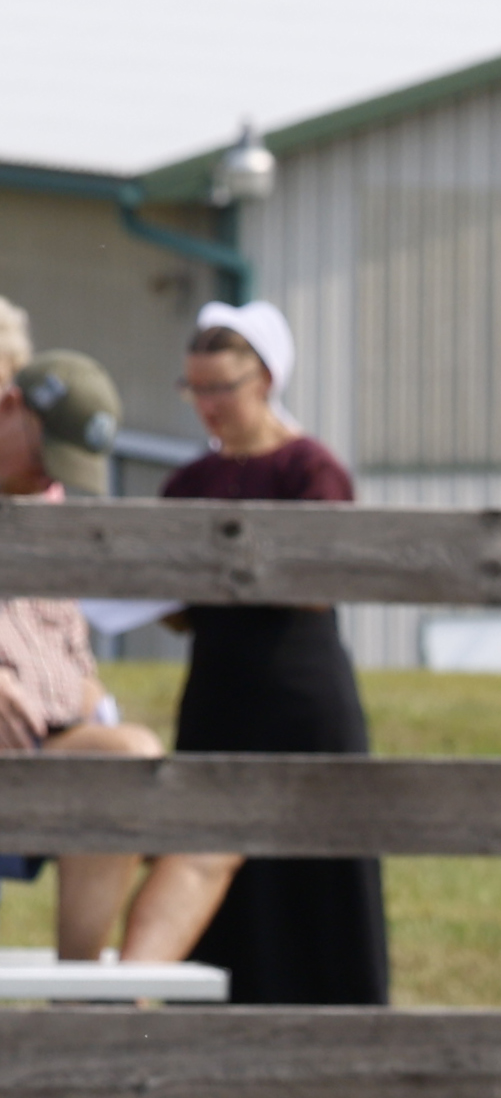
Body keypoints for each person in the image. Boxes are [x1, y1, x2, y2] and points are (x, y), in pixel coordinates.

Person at [155, 303, 390, 1007]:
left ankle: (334, 1006)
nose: (207, 407)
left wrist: (226, 567)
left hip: (298, 688)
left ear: (261, 380)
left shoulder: (310, 468)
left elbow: (319, 585)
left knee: (317, 843)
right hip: (219, 686)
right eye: (195, 390)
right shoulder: (186, 482)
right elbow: (173, 612)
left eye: (220, 389)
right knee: (209, 842)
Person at [1, 333, 231, 966]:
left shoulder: (40, 515)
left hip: (51, 745)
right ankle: (83, 997)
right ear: (12, 407)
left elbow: (70, 651)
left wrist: (94, 700)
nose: (55, 479)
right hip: (24, 755)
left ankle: (110, 1001)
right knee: (126, 762)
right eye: (51, 454)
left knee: (221, 820)